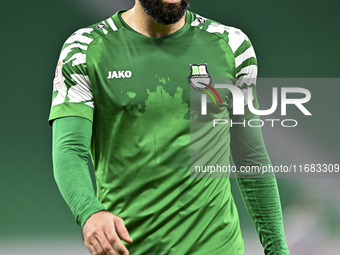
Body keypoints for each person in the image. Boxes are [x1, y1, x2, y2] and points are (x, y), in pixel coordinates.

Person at [49, 0, 290, 254]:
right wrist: (90, 212)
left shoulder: (231, 46)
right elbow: (69, 149)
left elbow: (250, 157)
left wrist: (278, 250)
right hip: (129, 247)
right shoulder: (84, 49)